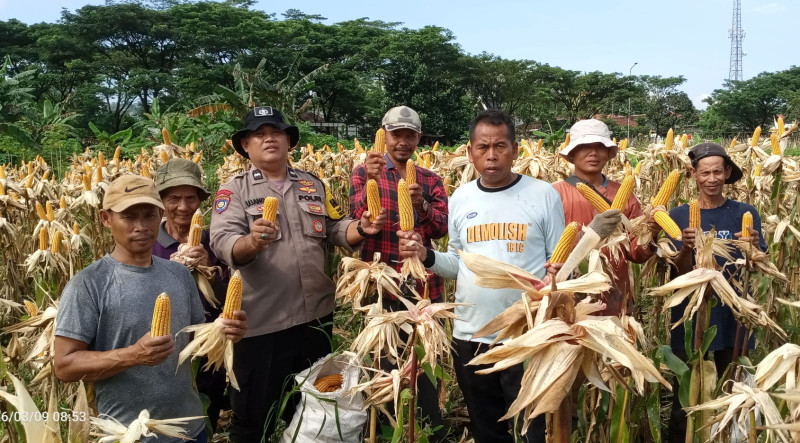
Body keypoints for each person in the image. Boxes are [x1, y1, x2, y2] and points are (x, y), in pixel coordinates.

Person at [209, 106, 387, 443]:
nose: (269, 138)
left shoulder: (312, 184)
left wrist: (361, 228)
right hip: (262, 323)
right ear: (245, 145)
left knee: (313, 411)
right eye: (259, 134)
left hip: (315, 318)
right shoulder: (233, 192)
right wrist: (250, 241)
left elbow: (336, 228)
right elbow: (222, 242)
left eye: (276, 132)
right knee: (253, 417)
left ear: (289, 141)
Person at [398, 109, 564, 442]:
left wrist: (555, 281)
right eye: (483, 147)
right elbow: (459, 264)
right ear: (470, 152)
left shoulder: (544, 195)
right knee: (488, 429)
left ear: (516, 151)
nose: (491, 155)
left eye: (500, 146)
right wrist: (425, 255)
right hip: (471, 335)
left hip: (525, 336)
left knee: (532, 431)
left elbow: (556, 262)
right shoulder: (460, 198)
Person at [54, 175, 248, 443]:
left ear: (161, 216)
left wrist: (223, 332)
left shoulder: (179, 274)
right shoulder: (88, 284)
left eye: (149, 215)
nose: (141, 226)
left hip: (189, 428)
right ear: (105, 218)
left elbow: (192, 345)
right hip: (128, 433)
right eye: (129, 217)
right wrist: (133, 355)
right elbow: (64, 366)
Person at [349, 105, 449, 440]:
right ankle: (385, 429)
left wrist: (420, 205)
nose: (402, 142)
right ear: (385, 135)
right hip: (380, 286)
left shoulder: (431, 180)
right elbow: (358, 218)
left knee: (423, 365)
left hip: (421, 286)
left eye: (410, 135)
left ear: (419, 138)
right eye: (396, 134)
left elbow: (440, 228)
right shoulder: (363, 173)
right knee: (383, 364)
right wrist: (372, 181)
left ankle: (429, 431)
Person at [659, 142, 766, 442]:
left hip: (734, 316)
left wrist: (754, 247)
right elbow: (677, 272)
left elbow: (757, 266)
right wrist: (685, 248)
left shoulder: (745, 213)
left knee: (731, 393)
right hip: (692, 319)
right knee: (688, 397)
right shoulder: (678, 216)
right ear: (694, 174)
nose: (711, 179)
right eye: (704, 172)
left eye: (718, 172)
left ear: (727, 172)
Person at [153, 158, 229, 431]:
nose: (183, 207)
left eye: (191, 198)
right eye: (173, 198)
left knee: (205, 410)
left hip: (209, 343)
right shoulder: (147, 242)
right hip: (165, 347)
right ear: (160, 201)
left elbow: (228, 298)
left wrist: (209, 267)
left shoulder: (216, 241)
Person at [553, 119, 655, 316]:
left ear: (609, 154)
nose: (593, 153)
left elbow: (636, 253)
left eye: (600, 147)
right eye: (585, 147)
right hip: (570, 294)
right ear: (572, 154)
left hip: (614, 295)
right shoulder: (554, 195)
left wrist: (652, 232)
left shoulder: (625, 194)